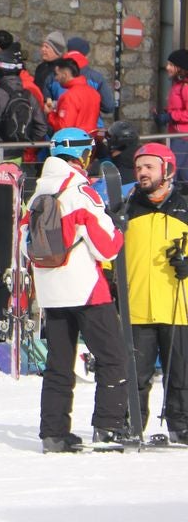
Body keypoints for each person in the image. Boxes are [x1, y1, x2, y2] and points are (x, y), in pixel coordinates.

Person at [21, 128, 128, 453]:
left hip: (51, 291)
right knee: (113, 358)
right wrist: (119, 227)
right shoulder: (81, 191)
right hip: (86, 289)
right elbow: (107, 247)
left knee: (59, 363)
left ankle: (53, 434)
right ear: (83, 154)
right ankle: (108, 428)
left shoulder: (38, 192)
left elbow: (25, 245)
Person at [122, 143, 188, 442]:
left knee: (182, 374)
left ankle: (181, 425)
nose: (142, 173)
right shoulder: (126, 207)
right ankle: (131, 425)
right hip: (137, 305)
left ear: (167, 169)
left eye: (149, 166)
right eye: (139, 167)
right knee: (136, 375)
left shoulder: (185, 206)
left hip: (178, 305)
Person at [0, 50, 48, 197]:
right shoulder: (29, 96)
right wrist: (25, 141)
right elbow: (42, 127)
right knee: (16, 196)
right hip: (17, 153)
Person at [63, 37, 117, 118]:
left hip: (64, 126)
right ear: (85, 55)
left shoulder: (57, 76)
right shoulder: (96, 78)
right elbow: (109, 106)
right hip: (92, 126)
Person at [45, 57, 101, 134]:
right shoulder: (94, 93)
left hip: (73, 142)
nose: (56, 78)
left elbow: (63, 127)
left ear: (65, 74)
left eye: (57, 74)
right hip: (89, 141)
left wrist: (50, 114)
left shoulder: (69, 96)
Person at [156, 49, 188, 185]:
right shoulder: (177, 85)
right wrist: (164, 114)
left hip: (182, 137)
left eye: (171, 64)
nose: (167, 67)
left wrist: (170, 117)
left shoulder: (185, 87)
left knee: (172, 173)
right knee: (181, 175)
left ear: (180, 67)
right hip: (177, 135)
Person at [33, 30, 67, 102]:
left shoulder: (62, 70)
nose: (43, 49)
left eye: (47, 47)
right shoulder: (41, 67)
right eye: (43, 46)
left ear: (56, 51)